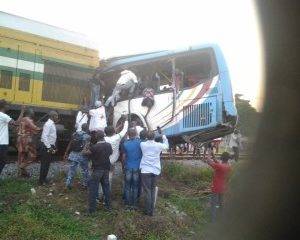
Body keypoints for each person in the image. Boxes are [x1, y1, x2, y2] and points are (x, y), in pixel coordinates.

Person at [140, 131, 169, 216]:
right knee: (152, 190)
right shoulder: (158, 145)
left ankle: (147, 210)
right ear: (154, 137)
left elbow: (142, 140)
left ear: (146, 137)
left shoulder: (142, 144)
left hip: (145, 170)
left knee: (147, 191)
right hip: (155, 170)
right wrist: (164, 136)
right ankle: (151, 210)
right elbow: (166, 146)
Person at [87, 130, 113, 214]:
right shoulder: (108, 145)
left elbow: (84, 153)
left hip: (97, 169)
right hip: (106, 169)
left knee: (93, 189)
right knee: (106, 188)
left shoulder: (94, 147)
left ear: (96, 137)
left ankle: (92, 210)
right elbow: (110, 153)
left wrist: (86, 145)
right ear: (104, 136)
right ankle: (108, 207)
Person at [203, 151, 231, 222]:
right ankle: (222, 219)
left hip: (216, 188)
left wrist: (209, 153)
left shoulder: (220, 166)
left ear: (222, 157)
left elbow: (209, 162)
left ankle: (213, 221)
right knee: (221, 204)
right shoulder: (228, 166)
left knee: (213, 205)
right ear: (228, 159)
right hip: (223, 188)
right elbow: (218, 164)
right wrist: (213, 155)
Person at [0, 100, 24, 176]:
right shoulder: (4, 116)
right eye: (8, 105)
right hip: (2, 143)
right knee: (3, 161)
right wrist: (22, 111)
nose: (9, 106)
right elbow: (16, 123)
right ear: (4, 106)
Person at [104, 116, 128, 189]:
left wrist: (120, 126)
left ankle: (100, 194)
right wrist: (126, 121)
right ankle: (106, 192)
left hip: (103, 160)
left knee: (103, 177)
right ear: (113, 132)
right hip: (112, 160)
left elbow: (112, 132)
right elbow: (124, 130)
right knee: (109, 176)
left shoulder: (104, 138)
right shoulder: (117, 138)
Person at [64, 123, 91, 189]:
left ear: (81, 127)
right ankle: (85, 184)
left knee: (72, 170)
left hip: (73, 154)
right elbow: (86, 147)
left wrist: (66, 152)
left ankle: (68, 184)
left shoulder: (74, 134)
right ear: (87, 128)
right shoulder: (87, 136)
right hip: (82, 155)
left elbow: (70, 144)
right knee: (85, 170)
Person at [122, 128, 142, 210]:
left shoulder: (125, 143)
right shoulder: (140, 143)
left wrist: (123, 166)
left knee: (127, 186)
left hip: (128, 167)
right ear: (136, 133)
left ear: (128, 134)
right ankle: (134, 204)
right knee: (135, 186)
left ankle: (127, 204)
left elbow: (123, 156)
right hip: (137, 167)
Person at [17, 108, 40, 177]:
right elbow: (36, 129)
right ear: (29, 113)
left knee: (22, 156)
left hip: (19, 140)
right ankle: (22, 166)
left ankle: (22, 173)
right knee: (33, 155)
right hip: (26, 140)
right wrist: (42, 128)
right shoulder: (28, 120)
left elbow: (20, 129)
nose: (34, 113)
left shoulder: (22, 119)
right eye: (33, 112)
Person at [39, 111, 59, 185]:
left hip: (49, 146)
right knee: (44, 164)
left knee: (47, 164)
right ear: (52, 116)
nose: (57, 117)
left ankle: (44, 179)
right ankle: (41, 181)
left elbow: (52, 137)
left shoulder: (51, 124)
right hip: (46, 147)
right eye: (56, 116)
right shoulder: (48, 124)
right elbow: (44, 137)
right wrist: (49, 147)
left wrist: (54, 146)